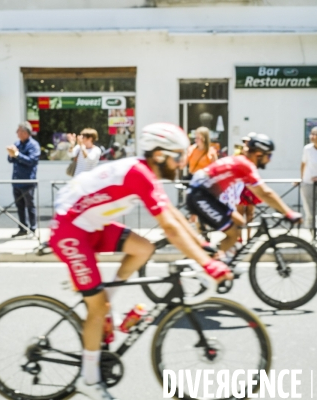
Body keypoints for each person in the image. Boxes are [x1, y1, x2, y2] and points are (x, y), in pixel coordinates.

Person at [49, 123, 232, 399]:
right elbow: (169, 228)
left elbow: (172, 215)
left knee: (143, 248)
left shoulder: (144, 172)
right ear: (159, 155)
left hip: (90, 224)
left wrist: (203, 246)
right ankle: (88, 379)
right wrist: (208, 265)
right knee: (96, 309)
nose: (182, 162)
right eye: (178, 156)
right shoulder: (140, 174)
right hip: (70, 229)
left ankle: (105, 299)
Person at [187, 133, 302, 260]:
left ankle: (219, 257)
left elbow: (259, 190)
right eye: (269, 155)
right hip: (200, 196)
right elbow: (265, 193)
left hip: (205, 195)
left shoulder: (241, 161)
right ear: (259, 154)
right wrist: (289, 213)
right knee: (233, 233)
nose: (270, 159)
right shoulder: (245, 165)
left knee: (240, 222)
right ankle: (208, 266)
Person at [7, 122, 41, 238]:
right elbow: (10, 160)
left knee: (30, 205)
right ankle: (22, 228)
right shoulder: (17, 144)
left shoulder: (33, 145)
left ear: (25, 132)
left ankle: (33, 228)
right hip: (16, 181)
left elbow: (31, 161)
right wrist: (12, 154)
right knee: (19, 206)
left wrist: (17, 154)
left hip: (28, 181)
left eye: (18, 131)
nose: (17, 134)